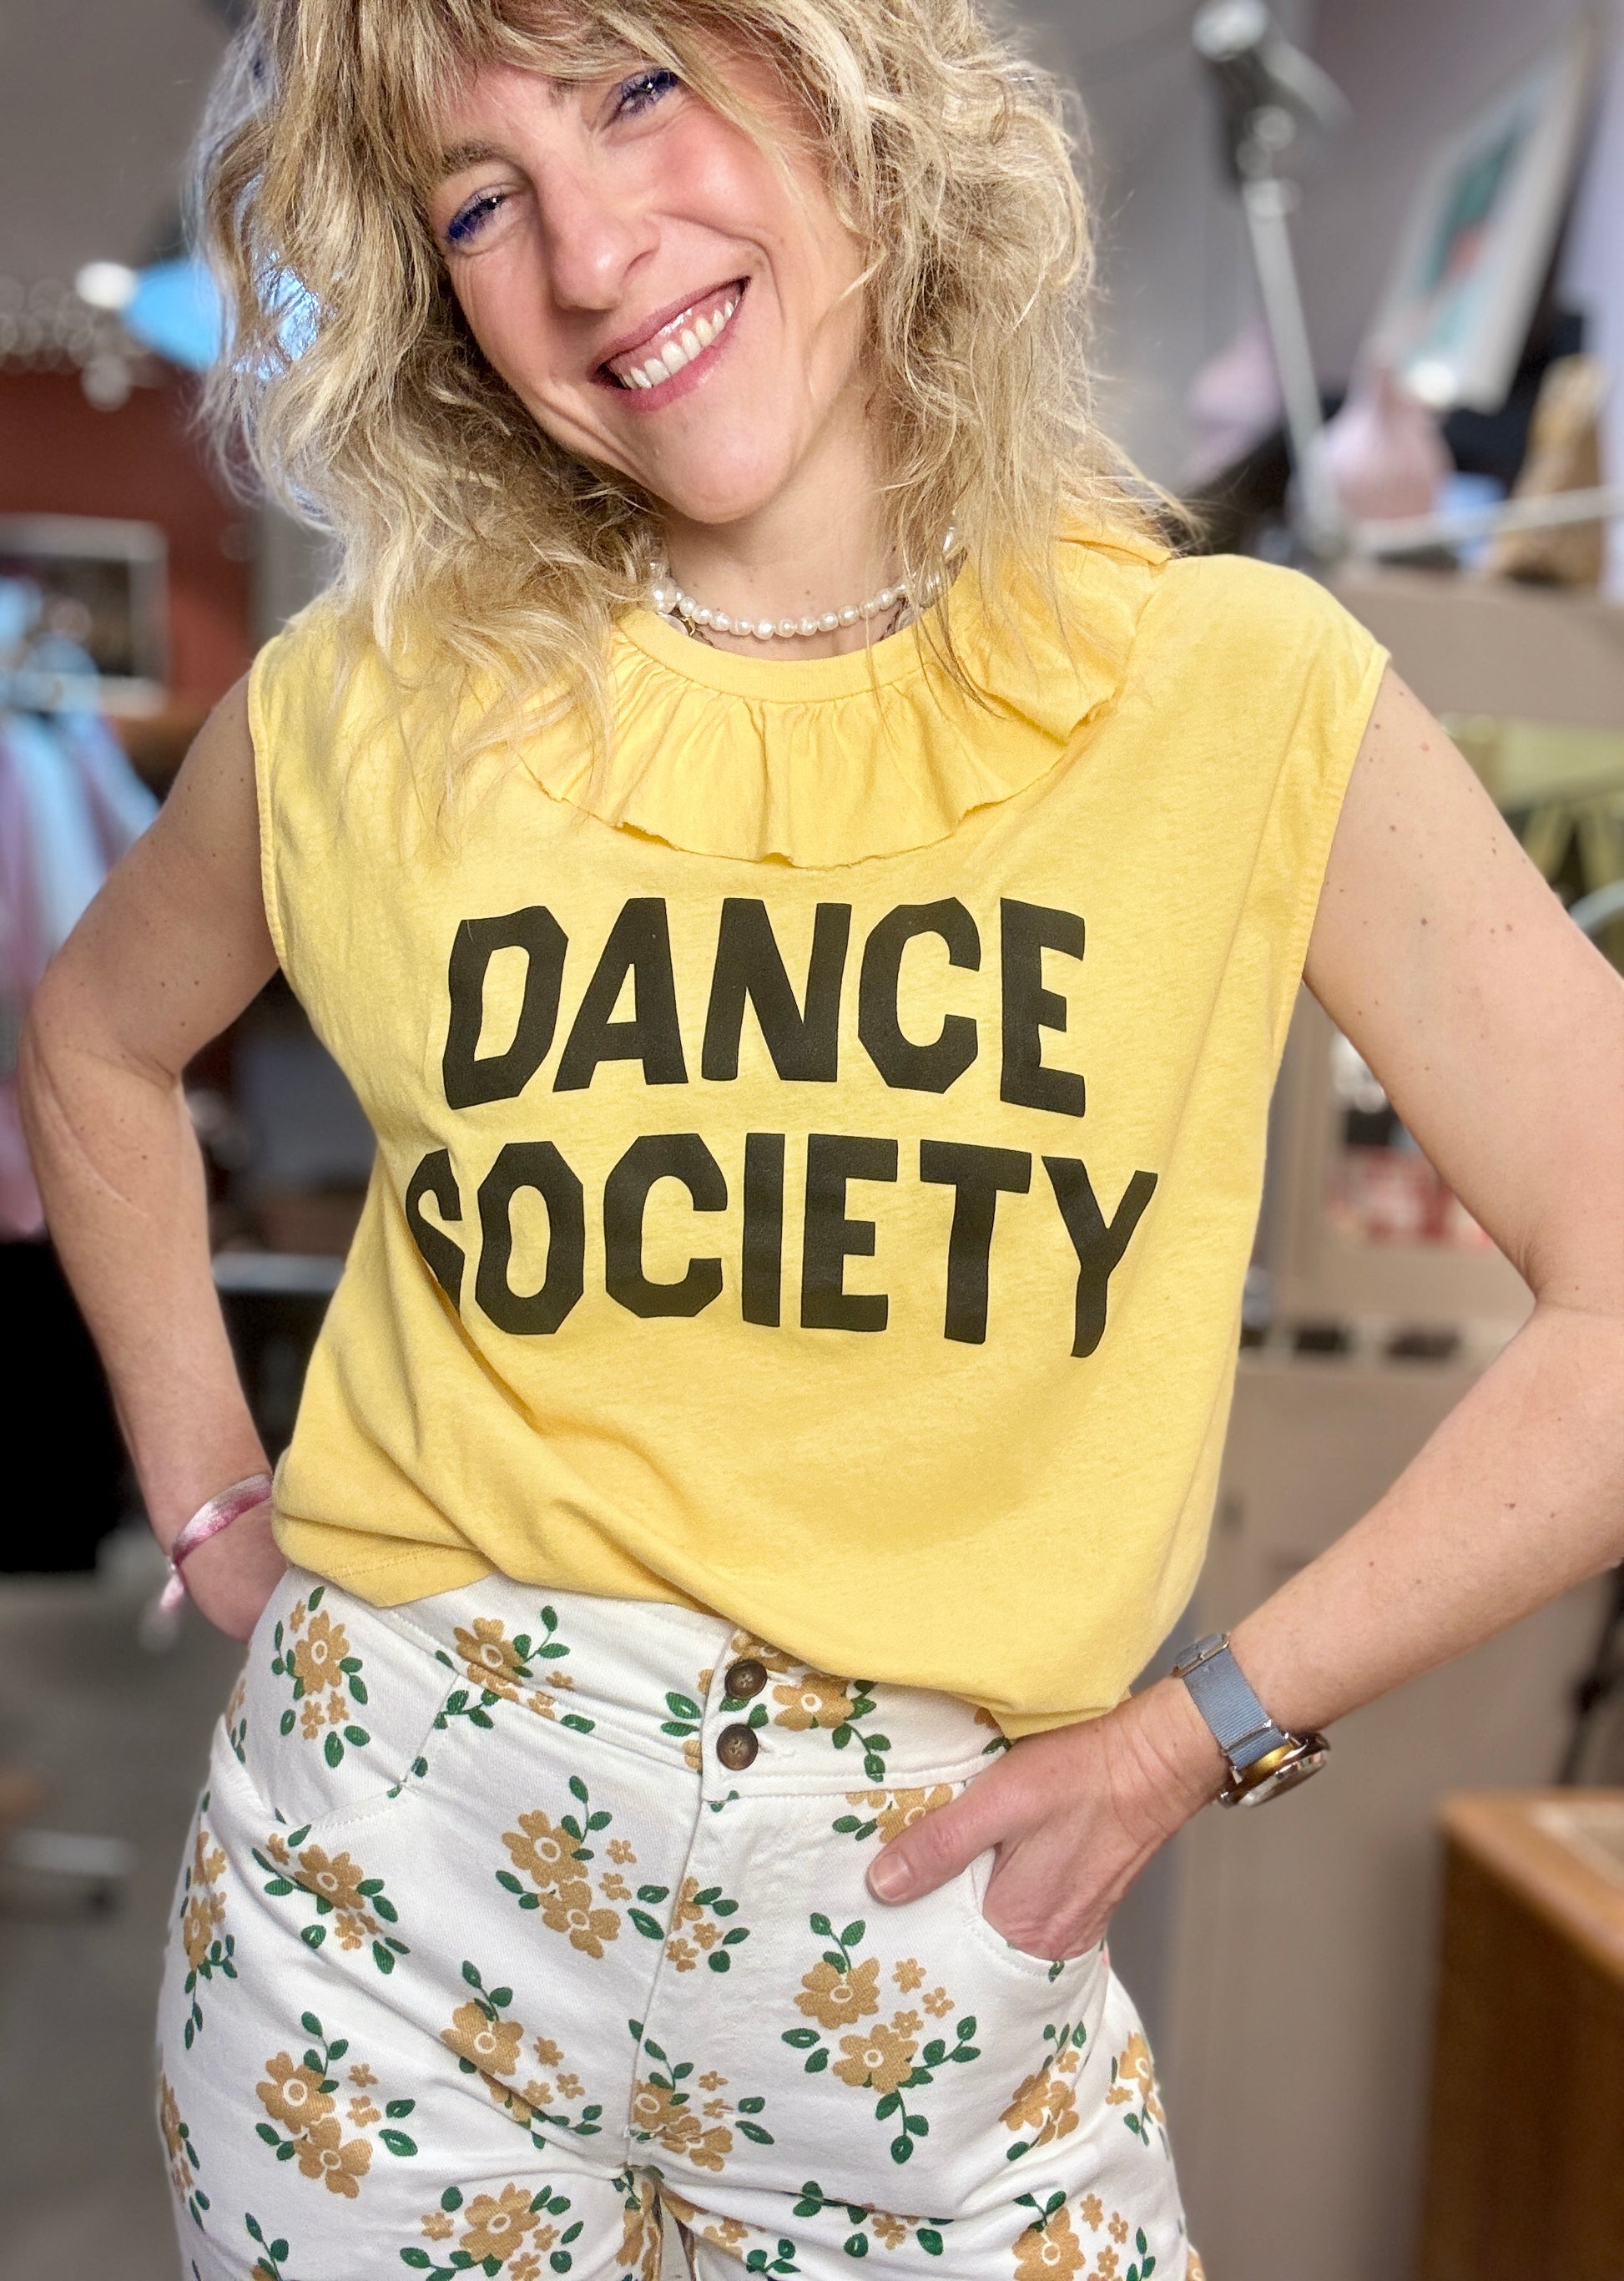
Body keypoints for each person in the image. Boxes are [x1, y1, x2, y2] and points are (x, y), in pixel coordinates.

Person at [19, 1, 1624, 2275]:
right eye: (478, 202)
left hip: (931, 1966)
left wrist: (1210, 1729)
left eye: (635, 89)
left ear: (847, 81)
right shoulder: (364, 705)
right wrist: (203, 1494)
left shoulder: (1236, 691)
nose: (588, 255)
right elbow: (91, 1043)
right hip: (378, 1927)